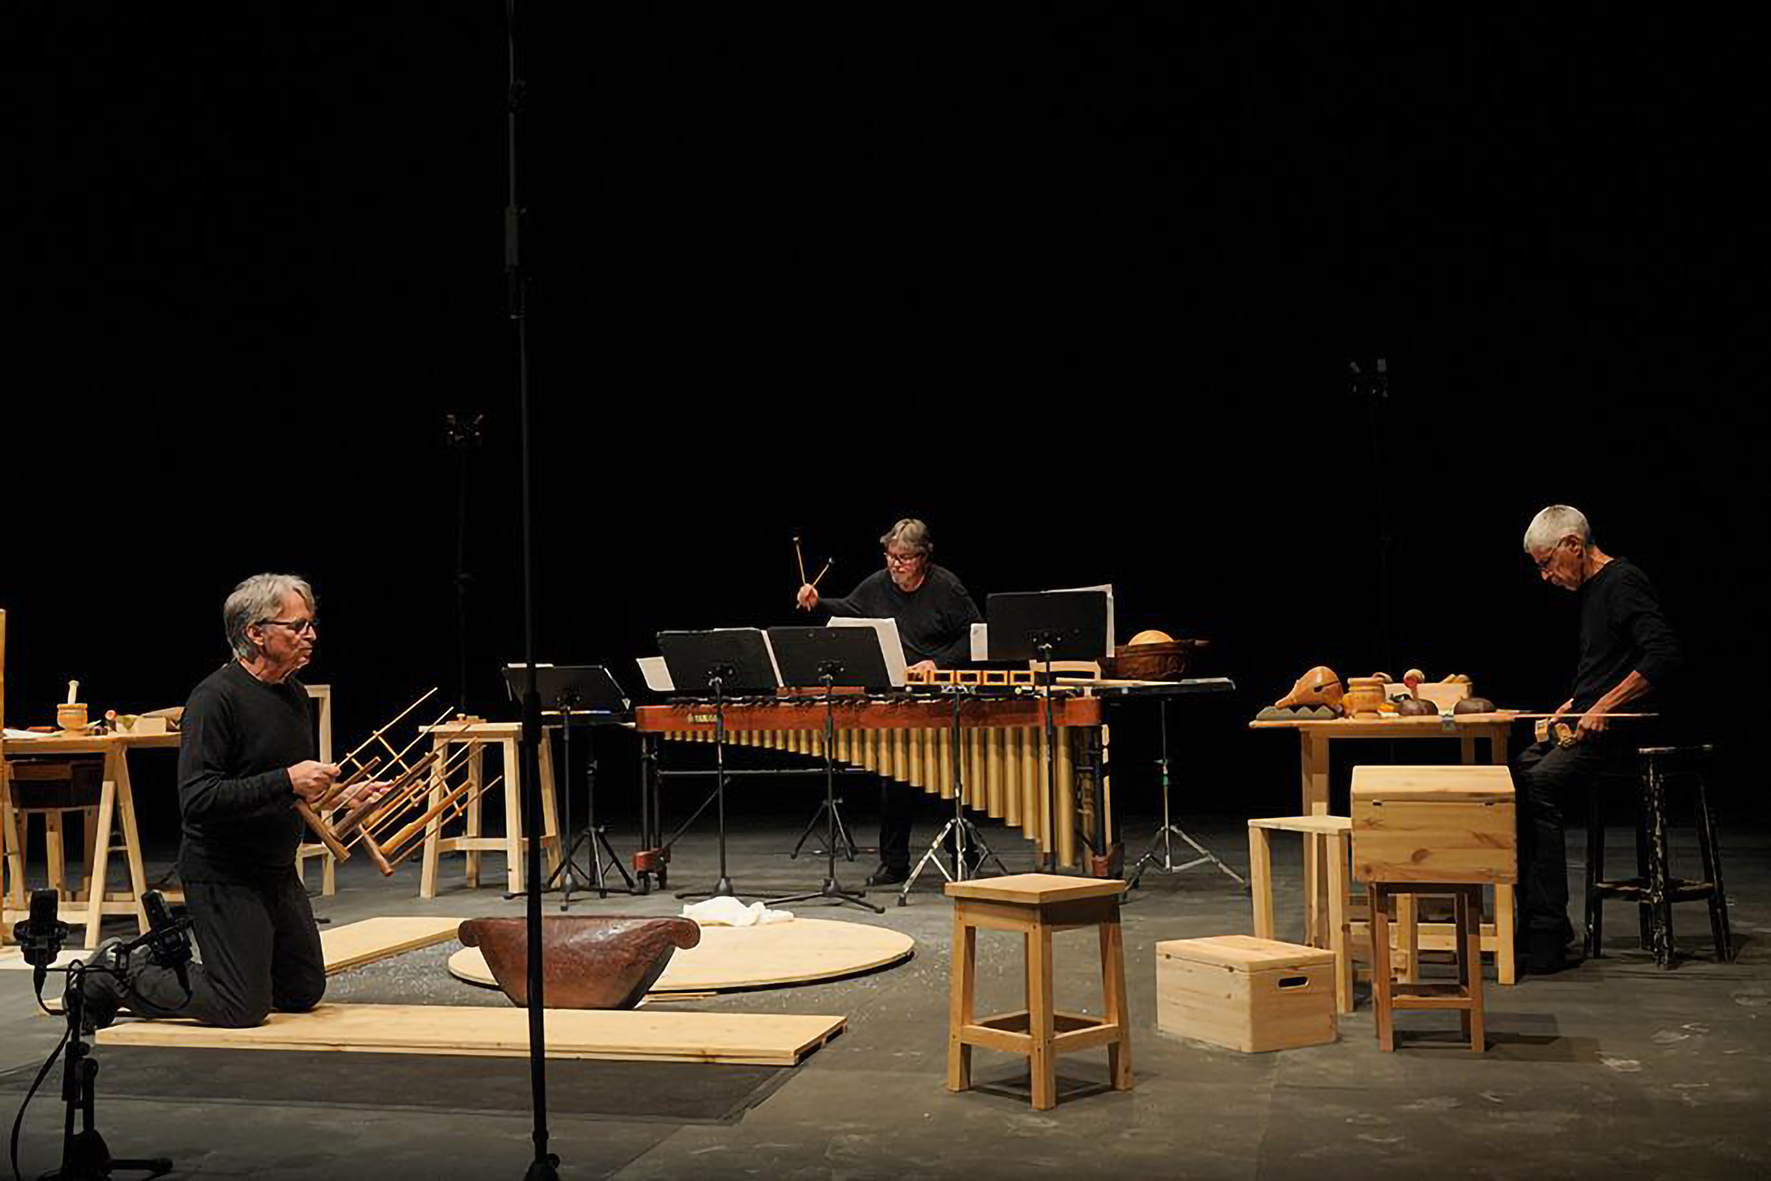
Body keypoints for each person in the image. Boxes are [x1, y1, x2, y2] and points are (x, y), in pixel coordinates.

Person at [83, 574, 386, 1027]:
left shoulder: (293, 693)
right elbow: (199, 798)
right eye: (297, 626)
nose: (311, 635)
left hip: (276, 869)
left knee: (302, 991)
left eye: (311, 624)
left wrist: (341, 796)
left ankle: (225, 969)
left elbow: (287, 790)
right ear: (255, 633)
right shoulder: (213, 699)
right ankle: (119, 973)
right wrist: (287, 780)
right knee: (241, 1006)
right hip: (224, 871)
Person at [1515, 506, 1683, 974]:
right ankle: (1531, 926)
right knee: (1512, 779)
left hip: (1625, 731)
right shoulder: (1593, 593)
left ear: (1573, 544)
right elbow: (1609, 663)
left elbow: (1664, 654)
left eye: (1547, 563)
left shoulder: (1622, 582)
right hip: (1591, 724)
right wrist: (1578, 701)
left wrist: (1606, 705)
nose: (1546, 576)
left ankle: (1547, 936)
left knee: (1536, 787)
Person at [796, 518, 982, 885]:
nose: (895, 564)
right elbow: (849, 609)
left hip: (939, 698)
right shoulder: (878, 585)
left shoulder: (947, 588)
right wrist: (817, 602)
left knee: (948, 780)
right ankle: (894, 863)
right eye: (890, 556)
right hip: (896, 697)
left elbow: (975, 634)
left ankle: (964, 853)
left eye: (904, 557)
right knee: (895, 781)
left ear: (923, 557)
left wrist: (938, 662)